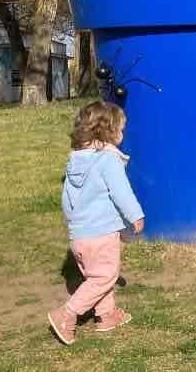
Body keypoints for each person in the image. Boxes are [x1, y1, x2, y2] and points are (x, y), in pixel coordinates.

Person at [48, 100, 145, 345]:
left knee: (97, 276)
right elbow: (121, 192)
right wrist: (136, 215)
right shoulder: (108, 161)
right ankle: (66, 314)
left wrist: (73, 224)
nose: (122, 134)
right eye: (120, 129)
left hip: (79, 235)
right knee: (105, 277)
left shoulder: (75, 162)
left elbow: (67, 200)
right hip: (101, 232)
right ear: (107, 132)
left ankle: (106, 315)